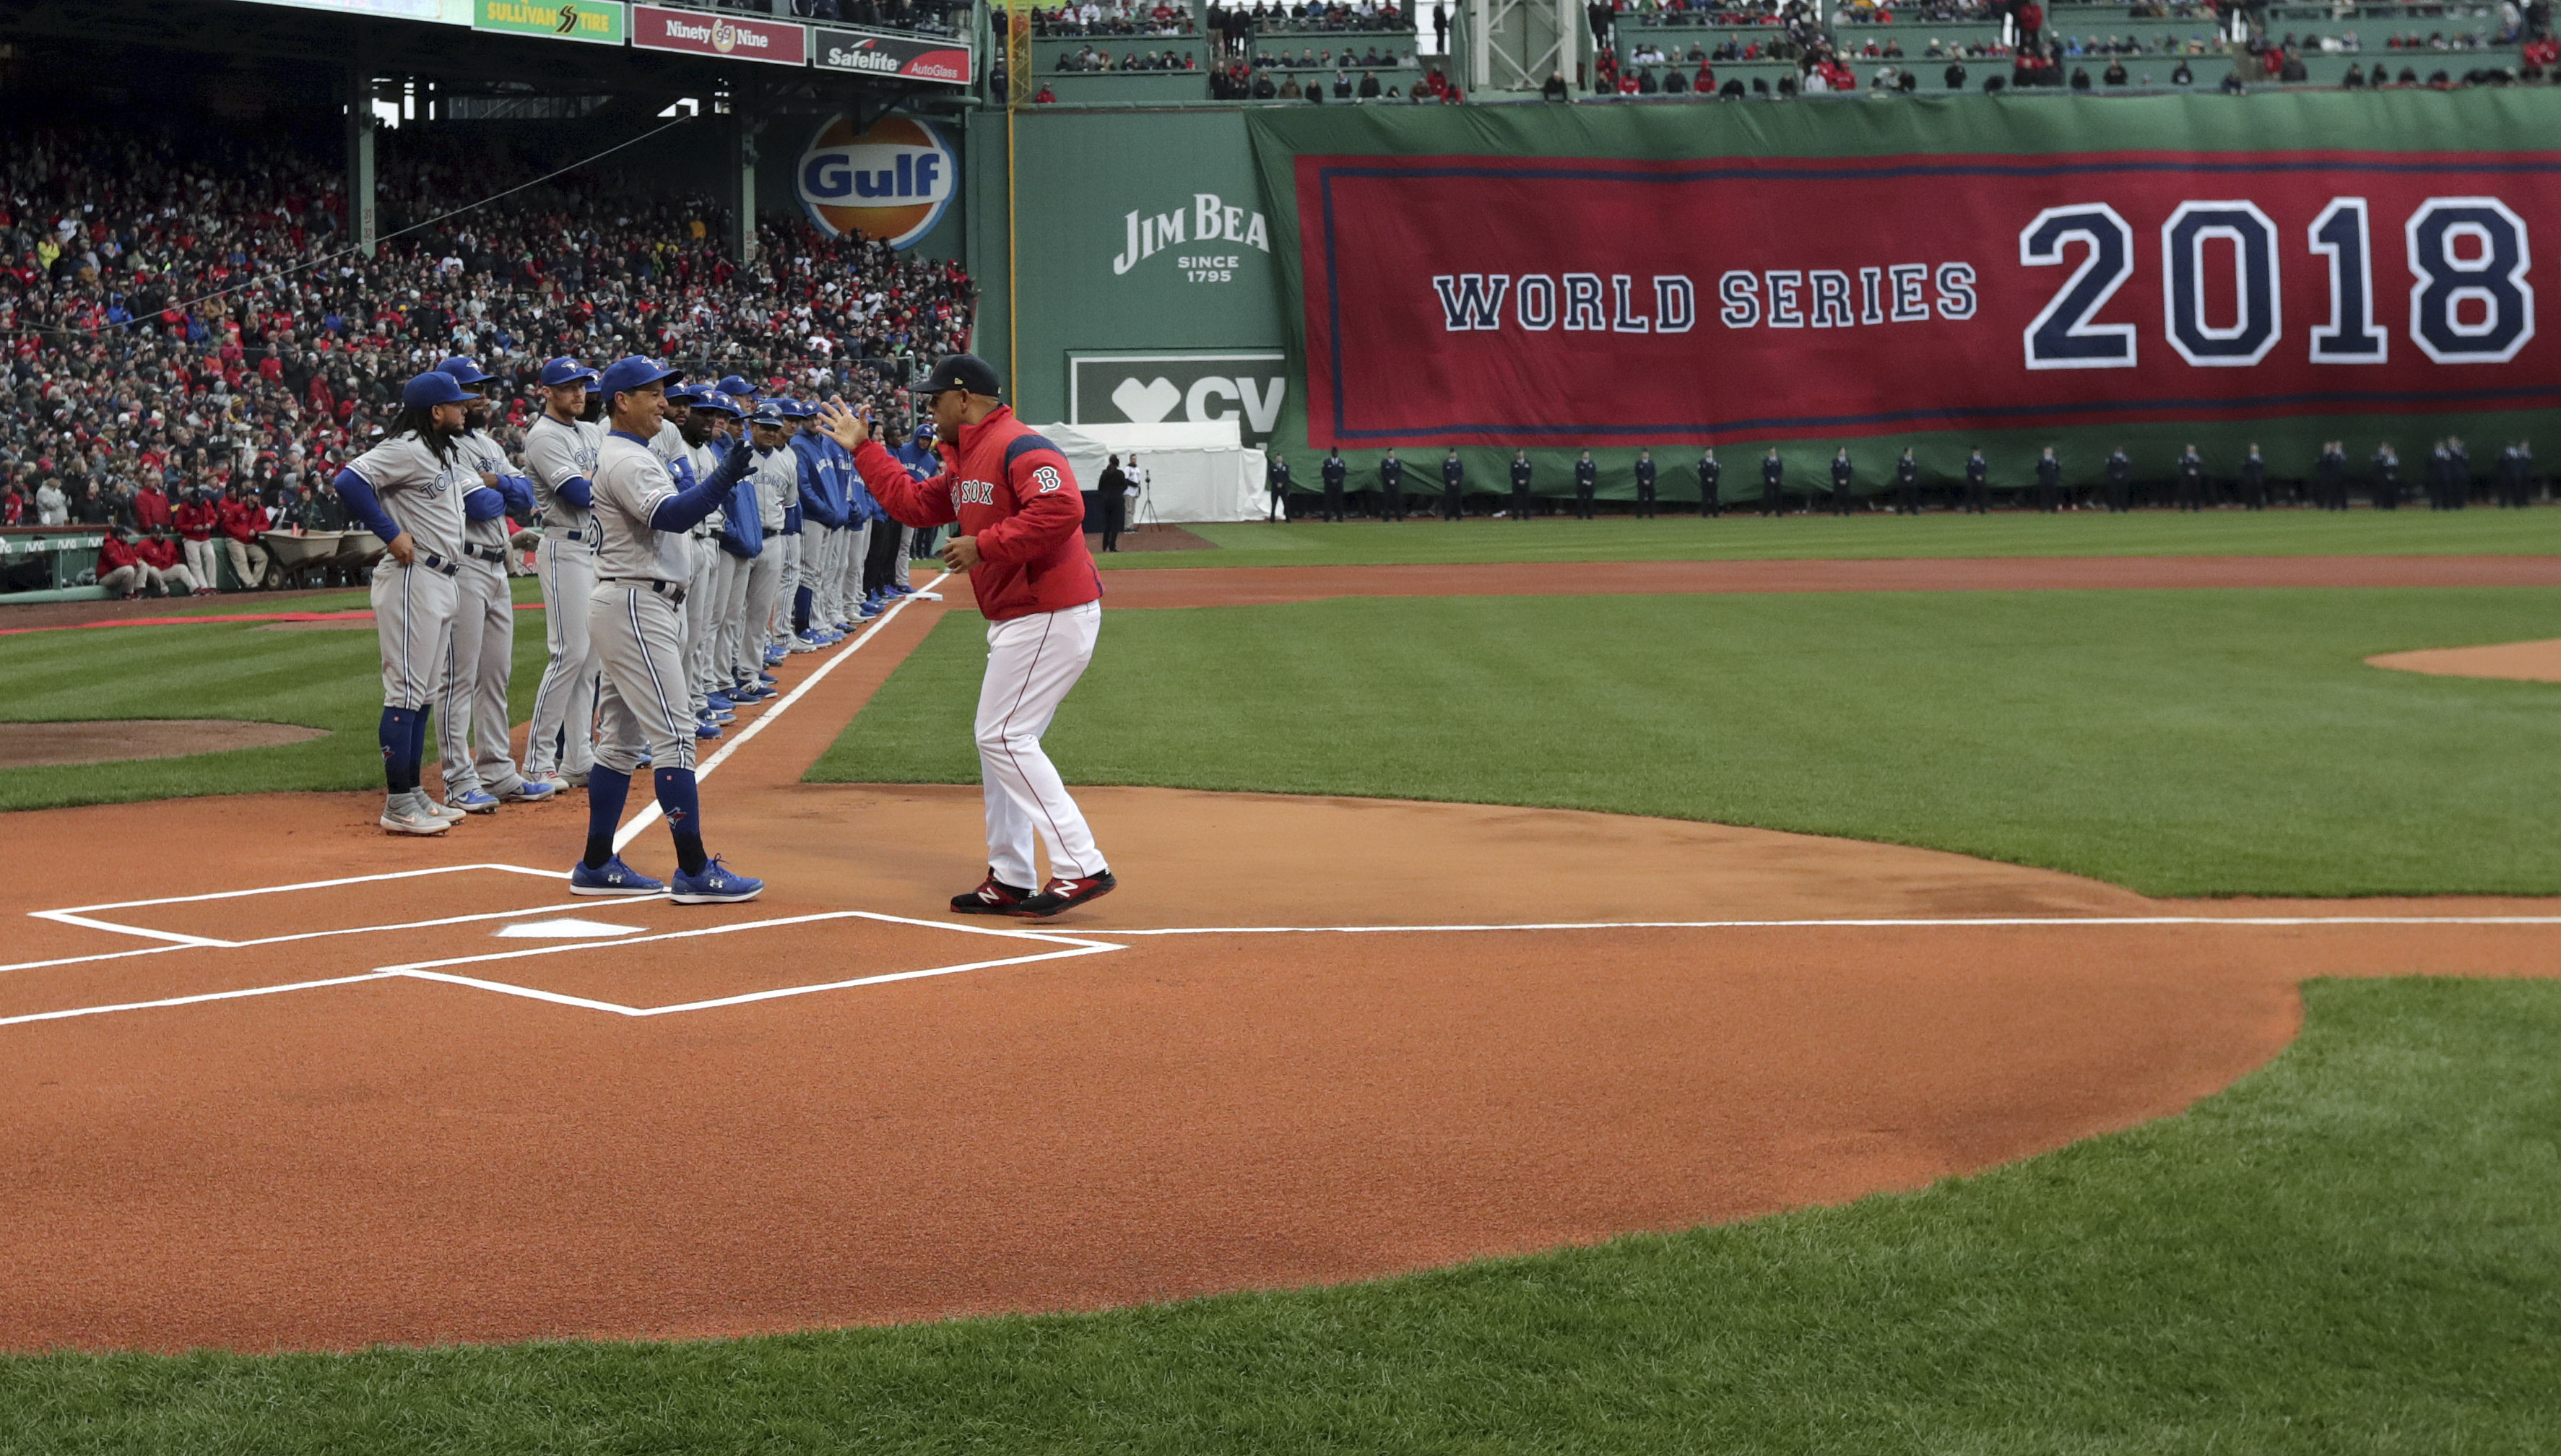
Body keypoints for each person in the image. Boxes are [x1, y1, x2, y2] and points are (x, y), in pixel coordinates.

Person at [820, 353, 1116, 919]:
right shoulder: (966, 459)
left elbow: (1063, 509)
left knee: (1002, 737)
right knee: (1000, 745)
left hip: (1049, 608)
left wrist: (986, 545)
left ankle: (1082, 864)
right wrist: (864, 449)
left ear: (964, 399)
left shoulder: (1018, 444)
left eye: (934, 400)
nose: (929, 410)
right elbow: (911, 504)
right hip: (1022, 613)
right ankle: (1010, 876)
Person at [568, 355, 763, 904]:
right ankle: (695, 870)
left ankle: (597, 862)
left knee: (622, 740)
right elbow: (670, 517)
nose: (663, 402)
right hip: (636, 600)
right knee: (675, 735)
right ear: (621, 402)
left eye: (663, 393)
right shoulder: (625, 459)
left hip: (638, 599)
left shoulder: (635, 452)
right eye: (652, 393)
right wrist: (724, 476)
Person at [330, 370, 480, 837]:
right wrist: (390, 533)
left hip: (441, 578)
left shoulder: (440, 451)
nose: (465, 409)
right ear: (436, 412)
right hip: (413, 578)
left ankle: (414, 793)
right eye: (457, 404)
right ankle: (398, 803)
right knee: (406, 693)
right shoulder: (409, 447)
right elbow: (348, 481)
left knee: (424, 694)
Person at [435, 357, 547, 812]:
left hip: (498, 565)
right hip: (461, 564)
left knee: (495, 676)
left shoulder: (486, 442)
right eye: (472, 389)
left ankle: (497, 770)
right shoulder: (441, 446)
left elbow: (526, 497)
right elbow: (481, 507)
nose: (482, 397)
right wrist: (500, 486)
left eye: (483, 388)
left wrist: (496, 479)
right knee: (458, 679)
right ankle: (458, 778)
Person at [521, 358, 605, 792]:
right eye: (569, 386)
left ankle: (578, 757)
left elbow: (602, 481)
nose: (579, 393)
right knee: (568, 653)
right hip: (564, 547)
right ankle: (537, 762)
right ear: (548, 391)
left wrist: (600, 477)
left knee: (589, 660)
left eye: (583, 386)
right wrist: (603, 477)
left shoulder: (590, 432)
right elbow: (578, 491)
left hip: (594, 547)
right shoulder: (542, 436)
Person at [219, 484, 272, 591]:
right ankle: (250, 584)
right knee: (241, 559)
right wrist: (243, 533)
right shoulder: (237, 508)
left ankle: (255, 582)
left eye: (259, 496)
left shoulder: (260, 510)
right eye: (256, 496)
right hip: (234, 540)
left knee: (263, 557)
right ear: (249, 496)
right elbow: (226, 525)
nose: (258, 498)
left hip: (249, 542)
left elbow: (267, 524)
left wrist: (256, 530)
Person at [173, 486, 222, 592]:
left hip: (205, 536)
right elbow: (178, 525)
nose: (198, 502)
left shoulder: (206, 503)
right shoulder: (184, 506)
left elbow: (213, 517)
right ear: (191, 498)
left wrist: (210, 524)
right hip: (190, 538)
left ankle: (212, 586)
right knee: (196, 563)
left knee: (211, 557)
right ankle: (204, 587)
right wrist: (192, 528)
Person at [96, 528, 152, 599]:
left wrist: (137, 561)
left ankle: (138, 592)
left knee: (143, 565)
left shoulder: (125, 544)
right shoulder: (109, 545)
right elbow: (118, 563)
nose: (127, 537)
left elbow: (132, 556)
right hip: (105, 577)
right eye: (125, 535)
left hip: (118, 573)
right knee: (129, 569)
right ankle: (126, 594)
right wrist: (134, 563)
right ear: (119, 536)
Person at [1098, 454, 1132, 551]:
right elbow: (1125, 486)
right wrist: (1118, 491)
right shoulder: (1120, 474)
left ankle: (1104, 546)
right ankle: (1112, 546)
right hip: (1117, 501)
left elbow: (1100, 488)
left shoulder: (1104, 473)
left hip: (1107, 501)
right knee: (1115, 524)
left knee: (1107, 524)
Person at [2314, 441, 2349, 511]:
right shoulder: (2323, 456)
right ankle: (2325, 506)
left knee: (2337, 492)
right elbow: (2319, 466)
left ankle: (2337, 506)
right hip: (2326, 477)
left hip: (2336, 477)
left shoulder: (2335, 456)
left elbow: (2339, 466)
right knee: (2325, 492)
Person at [1320, 448, 1348, 523]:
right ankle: (1327, 518)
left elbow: (1344, 473)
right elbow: (1324, 473)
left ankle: (1340, 517)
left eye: (1336, 452)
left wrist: (1338, 480)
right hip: (1329, 485)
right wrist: (1331, 480)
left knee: (1339, 501)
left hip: (1339, 485)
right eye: (1334, 452)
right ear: (1332, 453)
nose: (1335, 454)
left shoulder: (1341, 462)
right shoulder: (1327, 462)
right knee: (1328, 501)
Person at [2372, 442, 2402, 509]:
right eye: (2389, 452)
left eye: (2392, 452)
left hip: (2394, 479)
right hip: (2385, 479)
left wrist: (2395, 476)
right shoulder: (2384, 460)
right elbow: (2381, 469)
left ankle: (2393, 506)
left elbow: (2398, 470)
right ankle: (2385, 506)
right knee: (2385, 493)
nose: (2391, 453)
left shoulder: (2396, 460)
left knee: (2393, 493)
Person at [2176, 445, 2206, 511]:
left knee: (2196, 492)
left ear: (2194, 450)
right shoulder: (2183, 457)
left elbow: (2200, 466)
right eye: (2189, 449)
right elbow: (2182, 467)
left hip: (2195, 478)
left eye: (2192, 449)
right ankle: (2183, 508)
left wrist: (2195, 472)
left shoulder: (2198, 457)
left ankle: (2197, 508)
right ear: (2187, 450)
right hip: (2186, 478)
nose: (2191, 450)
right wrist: (2188, 471)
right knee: (2184, 492)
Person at [1379, 448, 1405, 521]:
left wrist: (1394, 480)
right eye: (1390, 453)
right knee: (1386, 501)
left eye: (1393, 453)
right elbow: (1383, 473)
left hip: (1396, 485)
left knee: (1398, 501)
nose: (1391, 454)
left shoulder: (1398, 462)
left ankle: (1399, 518)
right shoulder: (1384, 462)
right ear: (1388, 454)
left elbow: (1399, 473)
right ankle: (1386, 518)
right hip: (1387, 485)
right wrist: (1389, 480)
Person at [2105, 446, 2133, 513]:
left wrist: (2122, 475)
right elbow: (2109, 468)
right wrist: (2114, 475)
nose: (2119, 450)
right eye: (2118, 449)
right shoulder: (2112, 458)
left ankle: (2124, 508)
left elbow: (2128, 468)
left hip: (2123, 479)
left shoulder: (2125, 458)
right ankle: (2113, 508)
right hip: (2113, 479)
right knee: (2113, 493)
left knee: (2123, 494)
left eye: (2120, 449)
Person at [2239, 445, 2268, 511]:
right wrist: (2246, 477)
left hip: (2258, 479)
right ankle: (2249, 506)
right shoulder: (2247, 458)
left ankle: (2259, 506)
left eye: (2255, 449)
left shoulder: (2261, 458)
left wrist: (2261, 478)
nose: (2254, 450)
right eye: (2253, 449)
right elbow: (2244, 469)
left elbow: (2262, 469)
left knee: (2258, 493)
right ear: (2251, 450)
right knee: (2249, 493)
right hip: (2249, 479)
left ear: (2258, 450)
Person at [2034, 446, 2063, 513]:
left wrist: (2054, 477)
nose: (2048, 453)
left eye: (2049, 451)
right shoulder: (2041, 460)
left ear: (2052, 452)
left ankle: (2054, 509)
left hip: (2052, 480)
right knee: (2043, 495)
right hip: (2043, 480)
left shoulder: (2055, 460)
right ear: (2044, 452)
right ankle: (2043, 509)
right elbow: (2038, 470)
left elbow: (2058, 469)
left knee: (2053, 495)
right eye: (2047, 451)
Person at [1894, 448, 1922, 515]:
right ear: (1906, 452)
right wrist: (1905, 477)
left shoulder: (1913, 460)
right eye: (1910, 451)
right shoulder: (1901, 460)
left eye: (1911, 451)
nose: (1911, 453)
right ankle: (1900, 511)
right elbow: (1899, 471)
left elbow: (1916, 470)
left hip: (1912, 482)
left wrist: (1911, 477)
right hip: (1903, 482)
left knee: (1913, 497)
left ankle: (1914, 511)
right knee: (1902, 497)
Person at [1266, 451, 1292, 521]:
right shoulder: (1273, 467)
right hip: (1275, 488)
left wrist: (1282, 483)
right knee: (1274, 503)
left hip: (1284, 488)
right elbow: (1271, 477)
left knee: (1286, 503)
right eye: (1277, 458)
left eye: (1280, 458)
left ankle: (1288, 518)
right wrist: (1276, 483)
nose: (1279, 459)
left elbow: (1287, 476)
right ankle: (1272, 518)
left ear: (1282, 459)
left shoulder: (1285, 467)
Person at [1573, 449, 1599, 519]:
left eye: (1587, 454)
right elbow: (1578, 474)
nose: (1586, 455)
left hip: (1590, 485)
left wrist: (1591, 481)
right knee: (1580, 501)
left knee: (1590, 501)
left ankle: (1590, 516)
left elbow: (1594, 474)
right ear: (1582, 455)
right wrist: (1584, 481)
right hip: (1581, 485)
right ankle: (1580, 516)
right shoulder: (1579, 464)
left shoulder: (1592, 464)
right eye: (1585, 454)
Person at [1441, 448, 1465, 520]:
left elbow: (1461, 474)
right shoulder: (1446, 463)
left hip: (1458, 485)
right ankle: (1447, 516)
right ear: (1449, 454)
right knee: (1449, 500)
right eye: (1451, 453)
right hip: (1449, 485)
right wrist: (1450, 481)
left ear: (1456, 454)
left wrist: (1457, 481)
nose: (1453, 454)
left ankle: (1459, 516)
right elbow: (1445, 474)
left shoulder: (1459, 463)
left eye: (1454, 453)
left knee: (1458, 500)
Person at [1829, 448, 1855, 516]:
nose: (1843, 452)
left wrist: (1846, 480)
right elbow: (1833, 472)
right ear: (1838, 452)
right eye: (1841, 451)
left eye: (1844, 451)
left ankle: (1847, 512)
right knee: (1837, 496)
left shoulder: (1848, 461)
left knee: (1847, 496)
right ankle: (1836, 512)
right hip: (1838, 482)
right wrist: (1839, 480)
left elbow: (1851, 471)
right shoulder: (1835, 461)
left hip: (1846, 482)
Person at [1964, 448, 1990, 514]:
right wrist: (1976, 476)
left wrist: (1981, 476)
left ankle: (1982, 510)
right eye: (1976, 452)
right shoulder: (1970, 460)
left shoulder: (1983, 460)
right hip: (1971, 481)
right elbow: (1968, 470)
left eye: (1978, 452)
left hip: (1981, 481)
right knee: (1970, 495)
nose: (1977, 453)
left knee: (1981, 495)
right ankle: (1969, 510)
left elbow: (1985, 469)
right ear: (1973, 452)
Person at [1634, 448, 1658, 519]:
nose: (1645, 455)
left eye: (1647, 454)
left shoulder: (1652, 463)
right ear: (1642, 455)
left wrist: (1649, 480)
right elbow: (1638, 474)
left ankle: (1652, 514)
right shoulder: (1638, 463)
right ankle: (1639, 515)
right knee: (1641, 499)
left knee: (1652, 499)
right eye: (1644, 454)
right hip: (1641, 484)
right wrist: (1644, 480)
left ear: (1648, 455)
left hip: (1650, 484)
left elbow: (1653, 473)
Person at [1698, 448, 1722, 517]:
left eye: (1710, 452)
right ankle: (1705, 514)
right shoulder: (1702, 462)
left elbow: (1717, 472)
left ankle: (1716, 514)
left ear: (1712, 453)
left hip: (1714, 483)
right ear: (1705, 453)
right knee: (1705, 498)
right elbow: (1700, 472)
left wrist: (1713, 479)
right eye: (1708, 452)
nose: (1709, 453)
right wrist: (1707, 478)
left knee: (1714, 498)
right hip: (1705, 483)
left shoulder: (1716, 462)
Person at [1760, 448, 1785, 516]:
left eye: (1774, 452)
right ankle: (1766, 512)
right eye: (1771, 452)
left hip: (1777, 481)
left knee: (1778, 496)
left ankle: (1779, 513)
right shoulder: (1766, 461)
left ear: (1776, 453)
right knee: (1767, 496)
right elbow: (1765, 471)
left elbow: (1781, 471)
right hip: (1768, 481)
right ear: (1769, 453)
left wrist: (1776, 479)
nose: (1773, 453)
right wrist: (1771, 479)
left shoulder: (1779, 461)